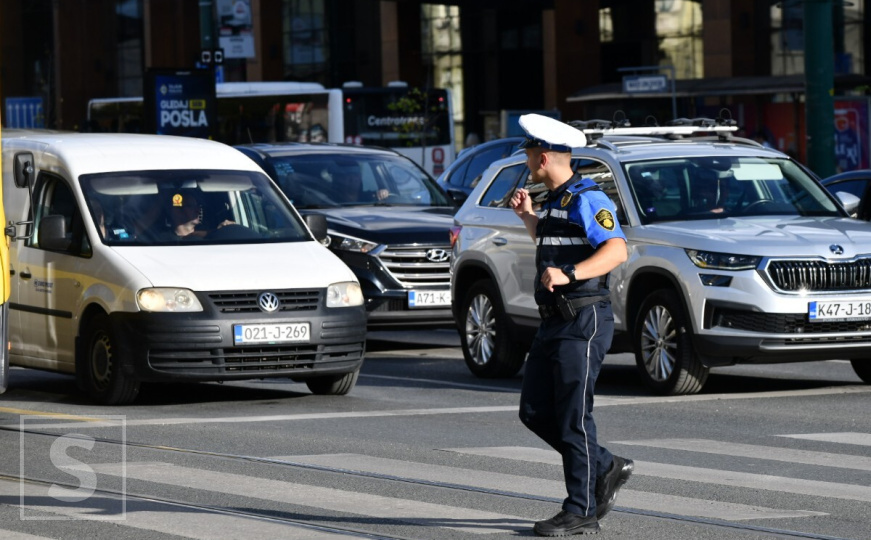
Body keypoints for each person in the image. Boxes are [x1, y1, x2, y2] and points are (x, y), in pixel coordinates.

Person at [509, 113, 634, 536]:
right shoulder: (554, 199)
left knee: (574, 418)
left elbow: (617, 250)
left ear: (543, 156)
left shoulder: (588, 197)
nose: (525, 159)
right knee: (533, 411)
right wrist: (530, 218)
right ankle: (605, 465)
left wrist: (572, 274)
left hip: (583, 319)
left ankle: (580, 510)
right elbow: (556, 249)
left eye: (528, 152)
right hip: (554, 322)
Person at [168, 190, 235, 238]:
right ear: (176, 211)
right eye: (191, 206)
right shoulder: (162, 240)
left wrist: (223, 230)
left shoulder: (210, 237)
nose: (198, 210)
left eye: (198, 206)